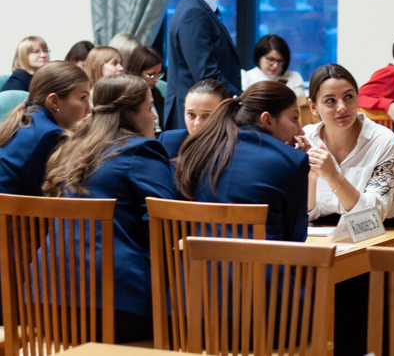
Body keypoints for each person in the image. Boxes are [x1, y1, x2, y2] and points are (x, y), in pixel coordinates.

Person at [43, 74, 176, 343]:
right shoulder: (141, 150)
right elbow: (167, 228)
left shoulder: (71, 149)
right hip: (114, 305)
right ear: (130, 113)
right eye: (150, 108)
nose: (155, 117)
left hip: (47, 302)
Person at [305, 63, 394, 356]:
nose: (342, 107)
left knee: (364, 301)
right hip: (329, 239)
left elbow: (371, 218)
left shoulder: (383, 141)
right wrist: (310, 180)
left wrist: (333, 176)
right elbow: (305, 211)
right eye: (330, 101)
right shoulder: (306, 139)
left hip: (389, 238)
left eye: (348, 97)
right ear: (313, 107)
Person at [174, 80, 309, 242]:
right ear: (267, 120)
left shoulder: (200, 151)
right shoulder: (292, 161)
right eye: (295, 118)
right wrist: (292, 160)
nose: (300, 130)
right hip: (262, 258)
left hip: (196, 257)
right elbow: (295, 238)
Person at [165, 0, 241, 130]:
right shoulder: (194, 11)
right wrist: (243, 99)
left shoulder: (197, 7)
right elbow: (206, 75)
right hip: (195, 119)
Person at [0, 62, 90, 196]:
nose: (89, 108)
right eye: (83, 98)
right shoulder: (51, 135)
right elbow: (51, 196)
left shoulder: (29, 119)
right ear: (54, 101)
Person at [157, 79, 229, 159]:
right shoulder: (169, 142)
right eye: (191, 114)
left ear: (225, 114)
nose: (197, 123)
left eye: (207, 115)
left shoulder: (236, 149)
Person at [126, 45, 165, 132]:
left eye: (158, 74)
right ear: (137, 71)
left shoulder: (156, 92)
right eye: (151, 75)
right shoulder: (127, 97)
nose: (156, 80)